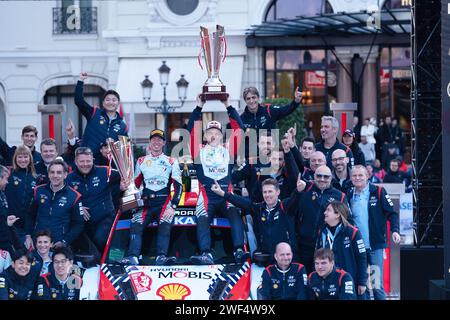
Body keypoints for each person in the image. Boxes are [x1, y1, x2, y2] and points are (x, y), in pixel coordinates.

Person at [187, 94, 249, 265]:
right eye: (209, 132)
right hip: (207, 196)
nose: (213, 135)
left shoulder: (228, 149)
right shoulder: (198, 150)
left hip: (226, 194)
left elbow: (240, 130)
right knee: (201, 216)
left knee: (235, 213)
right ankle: (206, 253)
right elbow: (191, 131)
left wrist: (228, 105)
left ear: (222, 136)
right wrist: (198, 108)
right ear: (205, 136)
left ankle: (238, 250)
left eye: (217, 132)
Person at [120, 129, 183, 266]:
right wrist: (126, 190)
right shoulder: (141, 161)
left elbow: (179, 186)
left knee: (165, 226)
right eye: (154, 139)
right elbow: (134, 184)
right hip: (146, 202)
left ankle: (161, 257)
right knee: (136, 225)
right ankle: (133, 257)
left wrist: (173, 206)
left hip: (164, 201)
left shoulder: (171, 161)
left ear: (164, 143)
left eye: (159, 140)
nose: (156, 142)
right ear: (149, 142)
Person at [211, 178, 304, 262]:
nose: (267, 195)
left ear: (278, 192)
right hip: (266, 259)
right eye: (265, 192)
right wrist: (223, 194)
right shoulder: (258, 209)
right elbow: (242, 202)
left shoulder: (286, 207)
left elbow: (294, 200)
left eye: (270, 191)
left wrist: (298, 191)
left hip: (287, 259)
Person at [347, 165, 401, 300]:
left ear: (367, 176)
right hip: (357, 248)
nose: (357, 178)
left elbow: (392, 214)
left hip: (374, 247)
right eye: (354, 175)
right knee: (361, 285)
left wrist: (395, 231)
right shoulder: (349, 194)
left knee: (376, 285)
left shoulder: (378, 191)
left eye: (360, 175)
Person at [66, 147, 127, 254]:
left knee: (100, 239)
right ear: (75, 162)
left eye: (88, 161)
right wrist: (78, 208)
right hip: (82, 222)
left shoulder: (105, 171)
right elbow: (64, 199)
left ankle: (104, 263)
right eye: (82, 161)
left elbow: (125, 175)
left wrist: (123, 185)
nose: (85, 164)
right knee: (80, 245)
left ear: (93, 160)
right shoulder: (69, 179)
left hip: (105, 218)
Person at [295, 165, 349, 274]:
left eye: (326, 176)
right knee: (304, 277)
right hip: (304, 244)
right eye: (319, 176)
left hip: (326, 246)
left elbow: (347, 220)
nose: (322, 179)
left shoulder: (340, 196)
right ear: (314, 176)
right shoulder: (306, 190)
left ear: (331, 178)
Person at [25, 159, 84, 250]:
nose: (55, 176)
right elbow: (30, 215)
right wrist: (28, 236)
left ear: (65, 175)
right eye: (52, 172)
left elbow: (79, 224)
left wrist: (65, 241)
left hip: (59, 246)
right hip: (38, 244)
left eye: (59, 172)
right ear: (48, 174)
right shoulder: (38, 191)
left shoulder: (74, 196)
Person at [316, 202, 368, 299]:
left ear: (338, 214)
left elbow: (362, 258)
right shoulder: (322, 232)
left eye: (328, 210)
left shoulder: (352, 232)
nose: (325, 213)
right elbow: (317, 257)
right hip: (329, 282)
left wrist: (362, 282)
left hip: (349, 281)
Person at [75, 72, 128, 159]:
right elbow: (79, 101)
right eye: (108, 100)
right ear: (103, 103)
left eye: (114, 100)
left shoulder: (122, 126)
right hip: (88, 160)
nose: (111, 102)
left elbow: (124, 148)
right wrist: (80, 81)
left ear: (118, 103)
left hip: (109, 164)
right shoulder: (94, 113)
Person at [5, 146, 41, 243]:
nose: (23, 160)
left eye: (25, 157)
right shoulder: (9, 175)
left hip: (30, 225)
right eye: (20, 157)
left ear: (30, 158)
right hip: (12, 222)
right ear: (15, 158)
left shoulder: (36, 177)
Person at [0, 165, 22, 254]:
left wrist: (7, 222)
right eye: (5, 179)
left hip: (5, 243)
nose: (7, 182)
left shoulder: (2, 195)